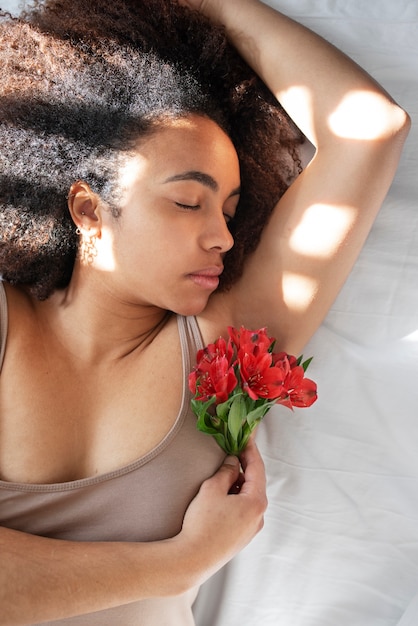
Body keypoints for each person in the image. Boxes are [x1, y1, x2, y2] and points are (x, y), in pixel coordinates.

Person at [0, 0, 409, 623]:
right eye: (188, 202)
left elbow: (370, 129)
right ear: (88, 210)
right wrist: (180, 563)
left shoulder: (229, 352)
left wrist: (208, 3)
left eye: (230, 209)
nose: (223, 236)